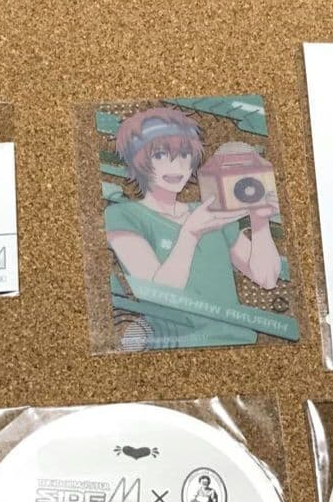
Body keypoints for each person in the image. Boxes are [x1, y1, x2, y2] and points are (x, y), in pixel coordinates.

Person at [105, 107, 282, 348]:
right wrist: (189, 235)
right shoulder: (123, 215)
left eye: (184, 154)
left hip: (238, 340)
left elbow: (267, 278)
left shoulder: (208, 211)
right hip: (174, 345)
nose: (176, 165)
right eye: (160, 155)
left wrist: (260, 222)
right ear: (137, 160)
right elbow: (159, 295)